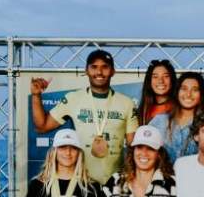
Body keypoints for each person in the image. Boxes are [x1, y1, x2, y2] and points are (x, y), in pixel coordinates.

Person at [31, 49, 139, 184]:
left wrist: (131, 178)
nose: (99, 72)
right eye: (94, 67)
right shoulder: (73, 98)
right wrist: (36, 95)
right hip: (81, 181)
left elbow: (134, 146)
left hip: (115, 182)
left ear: (113, 71)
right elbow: (42, 126)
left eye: (105, 67)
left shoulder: (127, 103)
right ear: (86, 70)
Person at [148, 71, 204, 161]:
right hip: (162, 174)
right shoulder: (159, 121)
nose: (188, 94)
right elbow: (145, 151)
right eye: (184, 89)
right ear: (177, 92)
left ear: (201, 95)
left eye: (195, 90)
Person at [137, 59, 177, 124]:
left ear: (172, 79)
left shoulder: (179, 108)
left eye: (166, 76)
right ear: (149, 81)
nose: (160, 81)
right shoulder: (143, 110)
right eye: (155, 77)